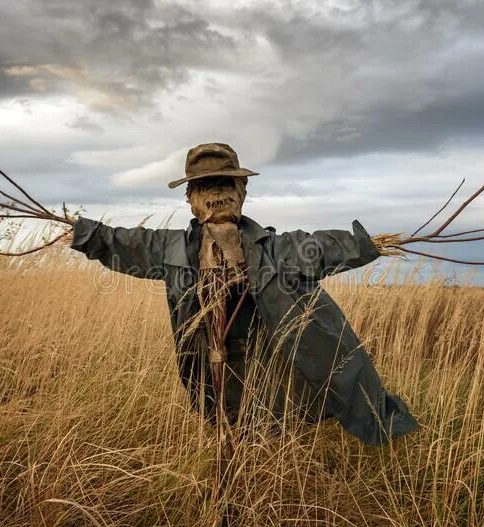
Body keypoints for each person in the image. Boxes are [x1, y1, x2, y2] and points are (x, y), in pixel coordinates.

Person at [69, 142, 418, 445]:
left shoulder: (274, 249)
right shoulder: (173, 249)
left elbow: (319, 247)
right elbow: (124, 243)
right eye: (205, 186)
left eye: (226, 184)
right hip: (211, 373)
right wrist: (82, 233)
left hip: (266, 372)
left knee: (267, 432)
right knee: (224, 428)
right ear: (190, 198)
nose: (216, 195)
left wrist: (368, 244)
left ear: (242, 192)